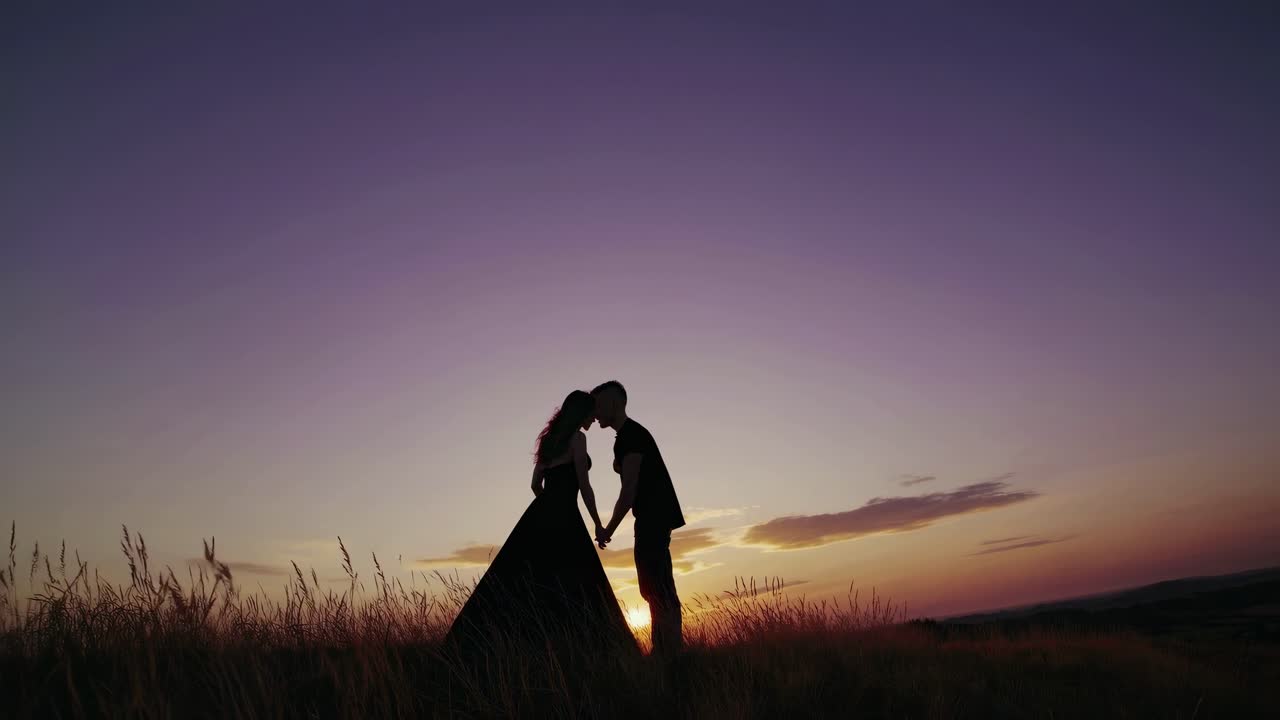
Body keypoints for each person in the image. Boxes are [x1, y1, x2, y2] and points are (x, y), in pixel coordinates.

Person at [443, 390, 637, 660]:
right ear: (581, 412)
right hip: (566, 516)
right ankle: (594, 654)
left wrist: (547, 506)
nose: (594, 418)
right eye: (591, 413)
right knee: (576, 584)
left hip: (539, 513)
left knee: (524, 581)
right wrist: (596, 523)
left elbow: (535, 485)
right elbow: (584, 485)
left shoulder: (549, 441)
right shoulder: (578, 439)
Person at [591, 380, 686, 656]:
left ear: (612, 403)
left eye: (598, 405)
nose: (594, 413)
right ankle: (668, 651)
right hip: (653, 516)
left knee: (656, 587)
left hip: (652, 517)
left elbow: (629, 490)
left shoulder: (630, 436)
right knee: (656, 586)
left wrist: (608, 529)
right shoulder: (629, 437)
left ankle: (668, 652)